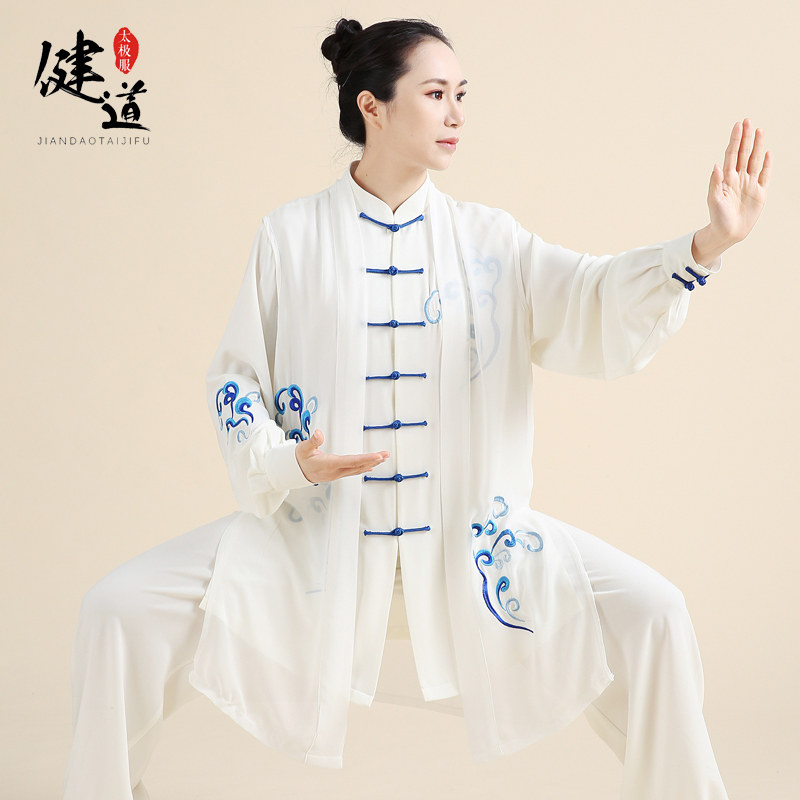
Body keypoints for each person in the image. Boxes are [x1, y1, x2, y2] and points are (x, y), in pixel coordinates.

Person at [62, 16, 771, 800]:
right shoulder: (290, 237)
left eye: (462, 94)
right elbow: (235, 382)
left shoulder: (490, 242)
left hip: (473, 543)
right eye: (436, 94)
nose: (457, 113)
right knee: (116, 610)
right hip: (313, 542)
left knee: (657, 613)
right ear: (373, 106)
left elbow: (592, 298)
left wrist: (705, 246)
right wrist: (287, 463)